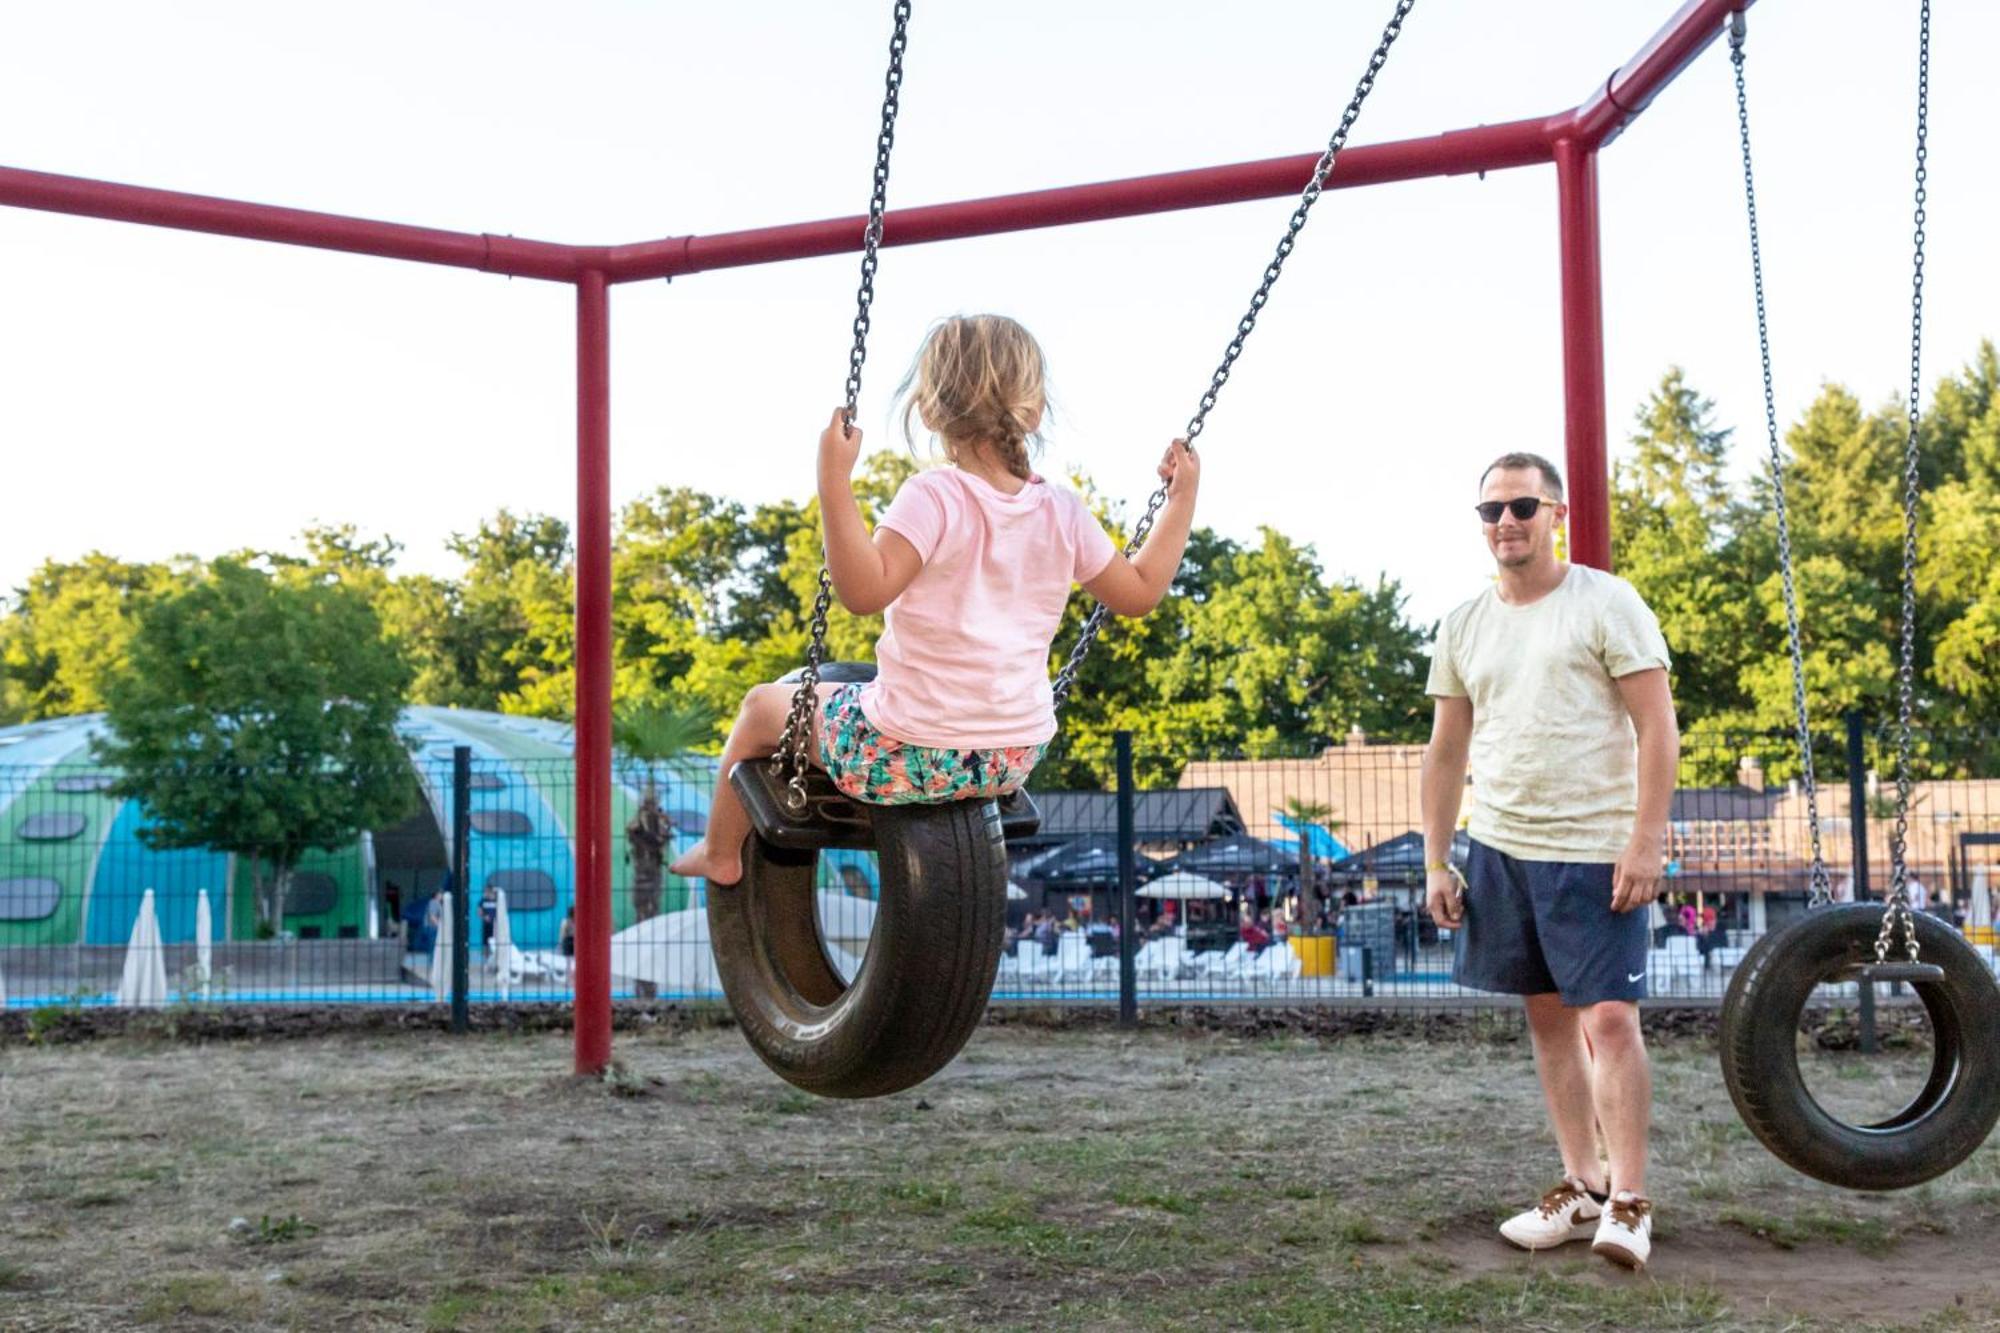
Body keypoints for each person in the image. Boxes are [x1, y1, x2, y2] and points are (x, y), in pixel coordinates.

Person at [670, 315, 1199, 886]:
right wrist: (1182, 499)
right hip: (1010, 760)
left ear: (928, 410)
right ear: (1034, 411)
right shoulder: (1063, 511)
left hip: (902, 751)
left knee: (760, 708)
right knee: (850, 695)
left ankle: (720, 854)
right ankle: (723, 850)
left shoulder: (933, 497)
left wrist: (833, 484)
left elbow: (863, 591)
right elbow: (1142, 592)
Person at [1421, 451, 1678, 1271]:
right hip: (1500, 848)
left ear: (1556, 512)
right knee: (1547, 1022)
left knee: (1609, 1021)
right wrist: (1437, 859)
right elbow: (1445, 748)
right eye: (1492, 509)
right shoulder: (1464, 623)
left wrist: (1646, 839)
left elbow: (1658, 728)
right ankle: (1581, 1184)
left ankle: (1630, 1201)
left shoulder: (1607, 602)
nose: (1506, 522)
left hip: (1595, 850)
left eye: (1523, 506)